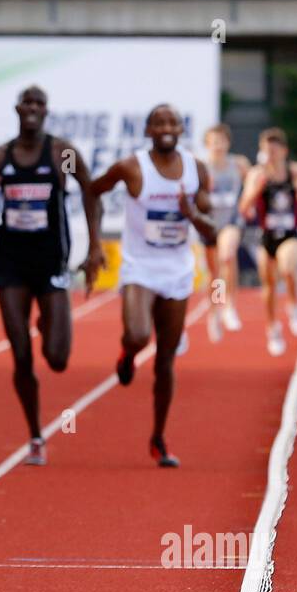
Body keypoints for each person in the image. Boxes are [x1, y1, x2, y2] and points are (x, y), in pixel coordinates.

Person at [0, 87, 103, 466]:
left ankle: (47, 321)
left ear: (46, 111)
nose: (32, 109)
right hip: (11, 264)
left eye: (38, 104)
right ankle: (35, 435)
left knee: (58, 358)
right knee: (21, 354)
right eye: (26, 103)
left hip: (51, 264)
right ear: (18, 109)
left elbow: (92, 194)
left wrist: (94, 248)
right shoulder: (0, 157)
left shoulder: (61, 154)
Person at [90, 105, 217, 468]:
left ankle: (159, 438)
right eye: (159, 122)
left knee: (166, 360)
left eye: (172, 122)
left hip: (177, 273)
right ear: (148, 129)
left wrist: (191, 213)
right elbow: (93, 191)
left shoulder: (196, 170)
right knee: (138, 334)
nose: (166, 128)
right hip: (139, 268)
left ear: (180, 129)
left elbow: (212, 231)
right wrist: (95, 244)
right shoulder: (132, 167)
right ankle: (127, 353)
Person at [238, 127, 297, 355]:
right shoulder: (257, 175)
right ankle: (272, 328)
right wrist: (257, 190)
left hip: (289, 235)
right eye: (266, 151)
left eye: (274, 151)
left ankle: (294, 307)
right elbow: (244, 207)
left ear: (283, 151)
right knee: (269, 287)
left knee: (287, 266)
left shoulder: (293, 172)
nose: (271, 155)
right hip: (266, 236)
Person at [201, 123, 251, 337]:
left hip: (231, 220)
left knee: (228, 256)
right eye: (213, 142)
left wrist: (248, 203)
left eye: (221, 141)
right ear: (207, 144)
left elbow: (255, 181)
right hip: (209, 223)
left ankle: (229, 306)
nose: (218, 145)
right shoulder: (200, 166)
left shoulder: (238, 164)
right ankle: (215, 312)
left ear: (228, 142)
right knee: (214, 274)